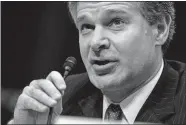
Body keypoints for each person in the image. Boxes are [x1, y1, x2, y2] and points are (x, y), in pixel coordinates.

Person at [9, 1, 186, 124]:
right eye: (86, 26)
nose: (95, 42)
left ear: (160, 30)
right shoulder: (60, 99)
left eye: (116, 22)